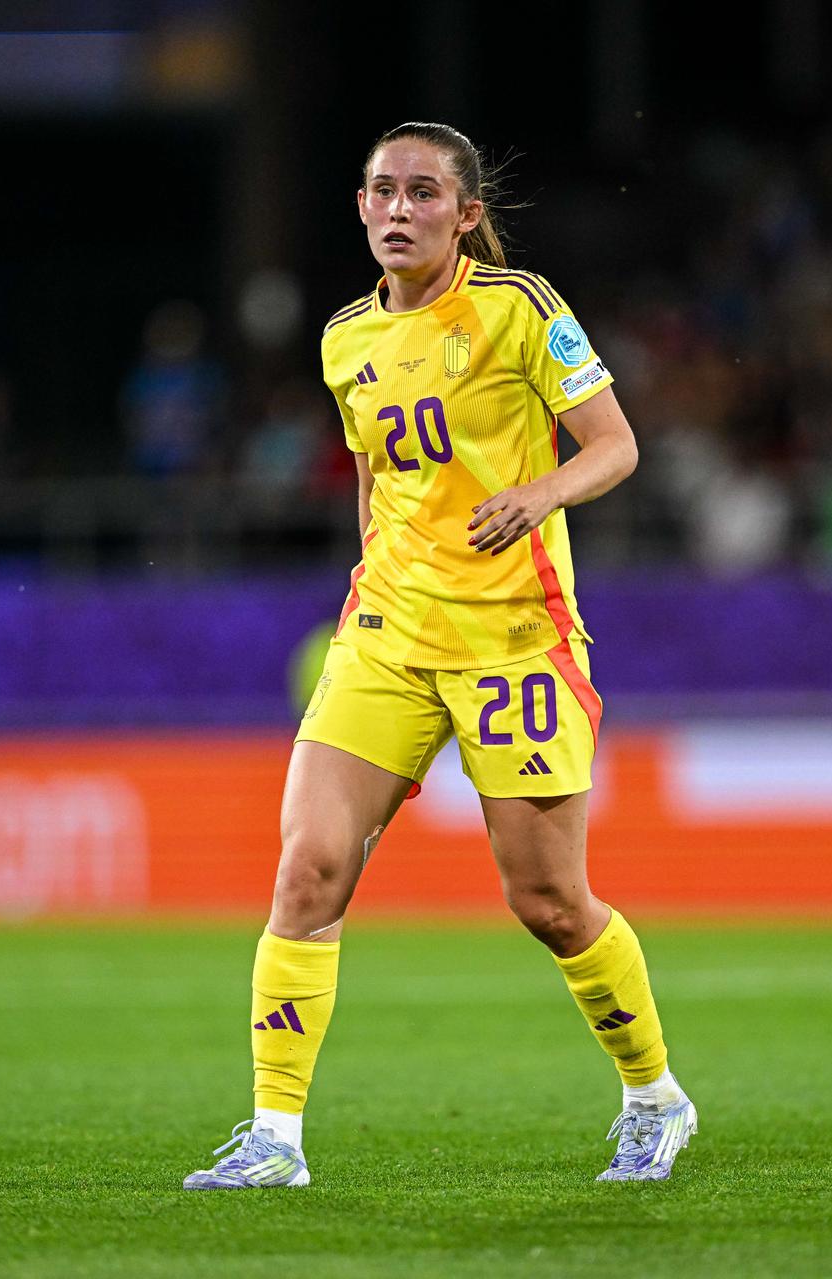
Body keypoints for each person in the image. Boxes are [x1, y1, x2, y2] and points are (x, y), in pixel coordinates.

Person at [184, 122, 695, 1190]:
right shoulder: (342, 340)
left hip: (515, 640)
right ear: (363, 208)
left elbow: (615, 445)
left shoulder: (520, 308)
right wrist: (377, 572)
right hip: (388, 634)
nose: (399, 208)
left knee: (548, 902)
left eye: (423, 192)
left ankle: (655, 1096)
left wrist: (537, 494)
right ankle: (275, 1137)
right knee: (307, 870)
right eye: (382, 190)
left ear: (466, 215)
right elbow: (377, 472)